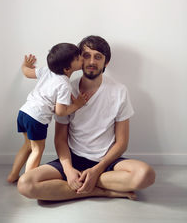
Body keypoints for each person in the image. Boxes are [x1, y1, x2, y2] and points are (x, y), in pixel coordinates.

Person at [17, 35, 156, 200]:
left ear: (106, 62)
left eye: (98, 57)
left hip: (107, 162)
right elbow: (60, 139)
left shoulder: (119, 91)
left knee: (145, 175)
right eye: (86, 55)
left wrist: (97, 169)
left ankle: (82, 182)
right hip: (73, 159)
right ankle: (100, 190)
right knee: (25, 184)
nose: (91, 61)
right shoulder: (65, 89)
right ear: (78, 60)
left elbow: (121, 142)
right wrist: (68, 170)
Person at [7, 43, 88, 183]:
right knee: (37, 149)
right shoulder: (64, 85)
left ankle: (13, 176)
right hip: (37, 118)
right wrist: (77, 104)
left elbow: (26, 72)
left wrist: (24, 65)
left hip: (24, 112)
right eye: (78, 58)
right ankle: (28, 181)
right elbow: (61, 112)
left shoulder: (46, 71)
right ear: (67, 68)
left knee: (27, 145)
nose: (82, 59)